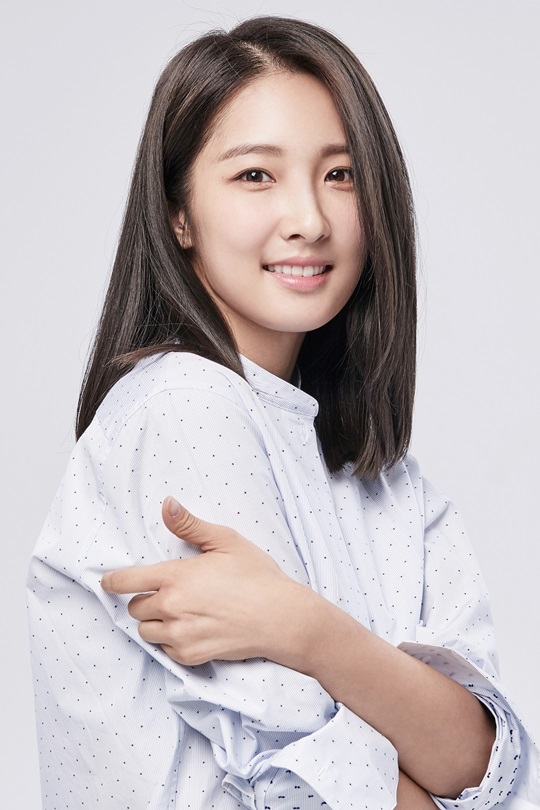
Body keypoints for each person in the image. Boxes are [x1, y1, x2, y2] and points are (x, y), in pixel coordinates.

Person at [27, 15, 539, 810]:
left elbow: (486, 766)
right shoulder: (185, 404)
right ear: (178, 213)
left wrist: (308, 631)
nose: (309, 218)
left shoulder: (388, 484)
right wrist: (405, 725)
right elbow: (298, 789)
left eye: (341, 174)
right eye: (256, 175)